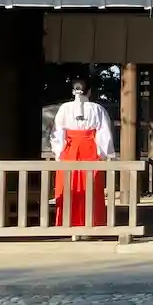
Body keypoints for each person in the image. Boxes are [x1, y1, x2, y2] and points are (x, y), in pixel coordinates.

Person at [50, 77, 115, 227]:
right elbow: (104, 133)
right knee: (91, 187)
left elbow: (57, 133)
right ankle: (92, 222)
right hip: (91, 150)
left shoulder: (64, 108)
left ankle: (67, 223)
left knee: (68, 187)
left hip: (69, 150)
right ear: (89, 91)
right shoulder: (97, 109)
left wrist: (59, 153)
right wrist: (102, 154)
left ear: (73, 91)